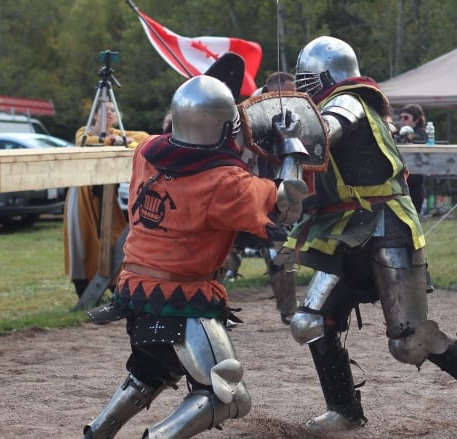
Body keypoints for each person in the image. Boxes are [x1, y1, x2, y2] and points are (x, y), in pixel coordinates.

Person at [284, 36, 457, 435]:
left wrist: (295, 128)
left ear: (326, 75)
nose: (302, 86)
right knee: (311, 321)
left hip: (387, 224)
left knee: (408, 341)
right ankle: (344, 409)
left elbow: (327, 129)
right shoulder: (331, 105)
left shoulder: (349, 101)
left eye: (306, 78)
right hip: (343, 230)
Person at [82, 74, 309, 438]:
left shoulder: (147, 152)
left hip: (135, 292)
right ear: (224, 128)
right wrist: (291, 145)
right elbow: (287, 205)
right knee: (229, 396)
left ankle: (99, 431)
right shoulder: (226, 182)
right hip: (184, 301)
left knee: (152, 370)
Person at [225, 71, 300, 325]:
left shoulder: (292, 120)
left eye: (293, 92)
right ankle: (213, 308)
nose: (290, 97)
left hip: (269, 199)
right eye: (285, 92)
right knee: (219, 253)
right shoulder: (242, 117)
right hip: (241, 196)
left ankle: (289, 310)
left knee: (284, 253)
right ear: (269, 93)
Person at [63, 101, 149, 298]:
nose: (110, 113)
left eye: (113, 110)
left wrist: (122, 139)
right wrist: (112, 141)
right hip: (84, 192)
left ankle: (117, 288)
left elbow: (144, 138)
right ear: (95, 115)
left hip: (106, 193)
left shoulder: (118, 133)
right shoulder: (85, 131)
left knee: (114, 237)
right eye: (106, 110)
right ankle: (85, 291)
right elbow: (85, 142)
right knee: (83, 240)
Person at [396, 104, 428, 213]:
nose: (402, 120)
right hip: (401, 181)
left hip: (415, 180)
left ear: (417, 119)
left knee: (414, 214)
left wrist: (409, 137)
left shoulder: (421, 134)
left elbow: (421, 139)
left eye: (406, 117)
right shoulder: (400, 133)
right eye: (401, 117)